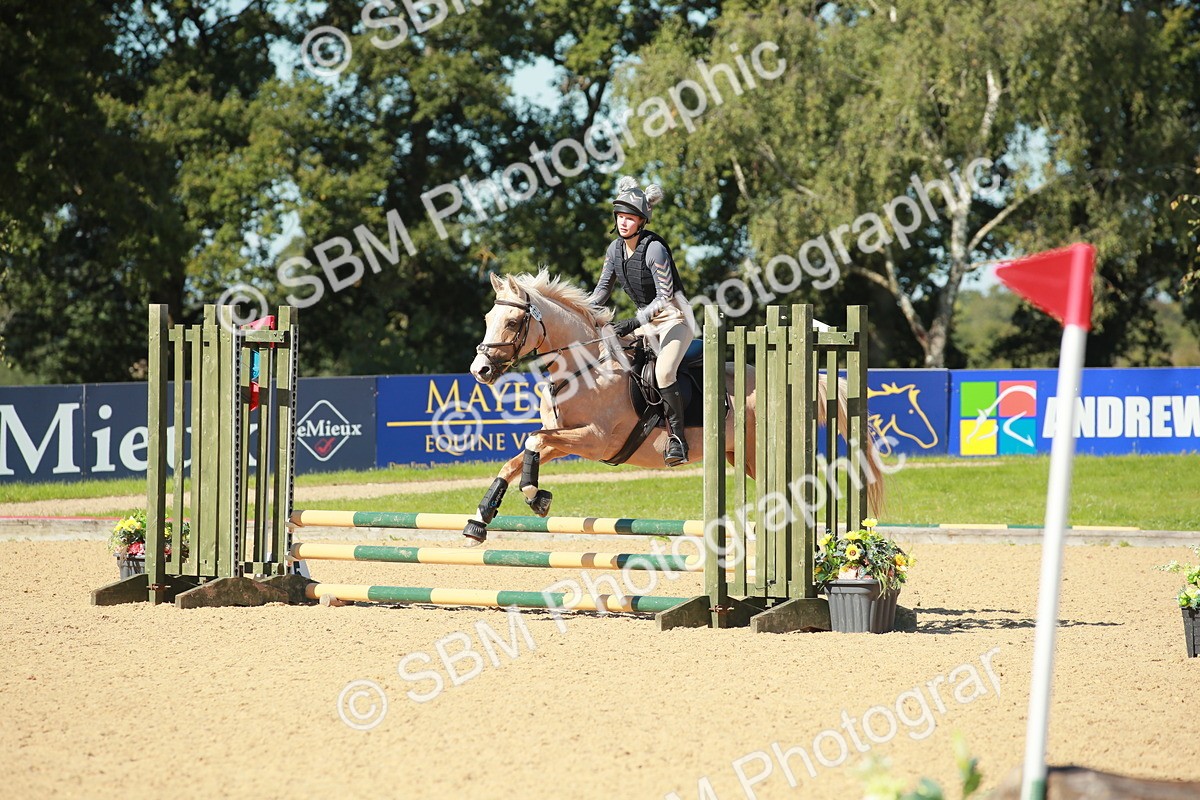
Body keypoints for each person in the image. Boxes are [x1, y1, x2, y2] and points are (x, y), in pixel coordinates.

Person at [588, 176, 694, 466]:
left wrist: (634, 323)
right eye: (620, 216)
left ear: (642, 221)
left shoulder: (654, 248)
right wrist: (578, 312)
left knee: (664, 372)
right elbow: (600, 293)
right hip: (646, 322)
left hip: (675, 318)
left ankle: (678, 440)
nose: (623, 222)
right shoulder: (614, 251)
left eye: (630, 218)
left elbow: (665, 297)